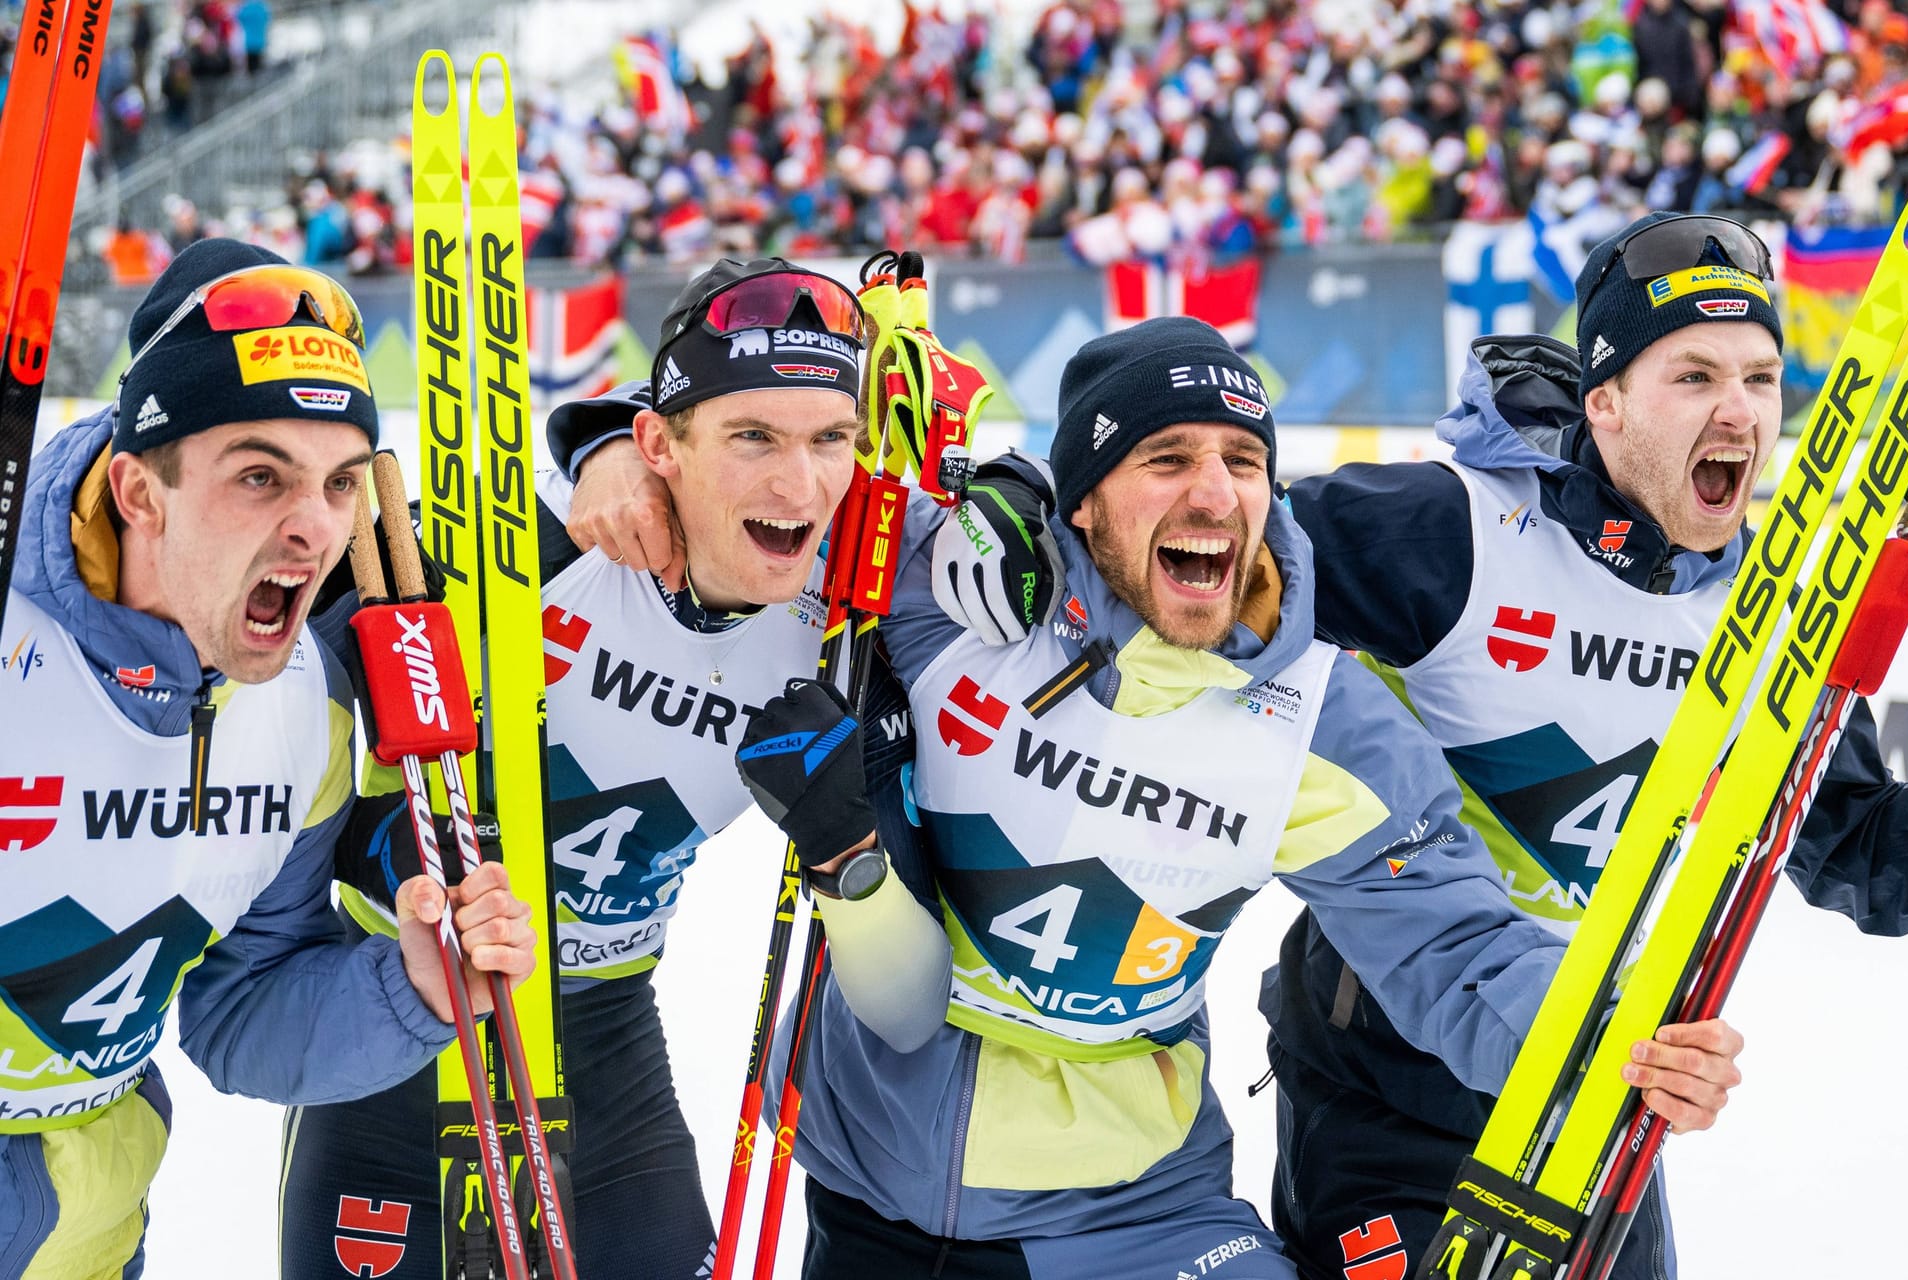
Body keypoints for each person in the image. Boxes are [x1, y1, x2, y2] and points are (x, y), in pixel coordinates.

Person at [722, 317, 1743, 1277]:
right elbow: (748, 489)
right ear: (1081, 497)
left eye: (1243, 461)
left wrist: (1611, 1043)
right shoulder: (955, 594)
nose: (1213, 491)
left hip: (1136, 1212)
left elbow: (1456, 948)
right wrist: (614, 457)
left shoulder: (1324, 722)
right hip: (864, 1182)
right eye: (1166, 460)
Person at [277, 258, 949, 1279]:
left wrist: (844, 846)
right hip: (407, 1016)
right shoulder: (531, 535)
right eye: (752, 436)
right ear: (656, 443)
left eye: (829, 438)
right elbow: (267, 745)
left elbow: (907, 1011)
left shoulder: (848, 620)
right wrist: (380, 852)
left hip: (604, 1024)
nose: (799, 482)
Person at [0, 238, 536, 1277]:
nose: (314, 529)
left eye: (341, 482)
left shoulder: (303, 717)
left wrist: (412, 987)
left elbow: (240, 1006)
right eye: (260, 475)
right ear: (139, 490)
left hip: (91, 1234)